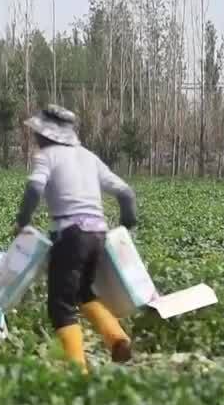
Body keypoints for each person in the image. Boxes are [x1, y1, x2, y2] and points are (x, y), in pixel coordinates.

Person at [13, 105, 138, 372]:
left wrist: (22, 221)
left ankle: (76, 371)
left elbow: (35, 187)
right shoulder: (89, 157)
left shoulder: (47, 156)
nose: (36, 137)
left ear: (49, 135)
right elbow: (126, 193)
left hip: (70, 235)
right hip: (98, 235)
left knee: (61, 306)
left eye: (38, 133)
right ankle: (117, 338)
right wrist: (127, 226)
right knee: (83, 292)